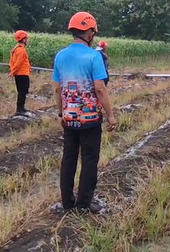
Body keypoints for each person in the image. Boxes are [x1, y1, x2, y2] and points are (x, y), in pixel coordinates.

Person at [53, 11, 117, 214]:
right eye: (92, 31)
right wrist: (111, 115)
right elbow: (99, 88)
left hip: (69, 118)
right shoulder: (94, 56)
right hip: (90, 119)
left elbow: (56, 88)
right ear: (89, 32)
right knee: (89, 158)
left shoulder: (60, 56)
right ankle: (83, 203)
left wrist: (61, 112)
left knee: (69, 158)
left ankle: (67, 202)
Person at [9, 30, 32, 116]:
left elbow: (12, 61)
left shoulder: (15, 49)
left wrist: (12, 71)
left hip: (20, 74)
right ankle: (20, 109)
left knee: (22, 91)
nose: (28, 40)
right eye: (26, 39)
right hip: (22, 74)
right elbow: (18, 63)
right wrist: (12, 72)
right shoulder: (21, 50)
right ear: (23, 39)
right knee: (23, 91)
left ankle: (21, 108)